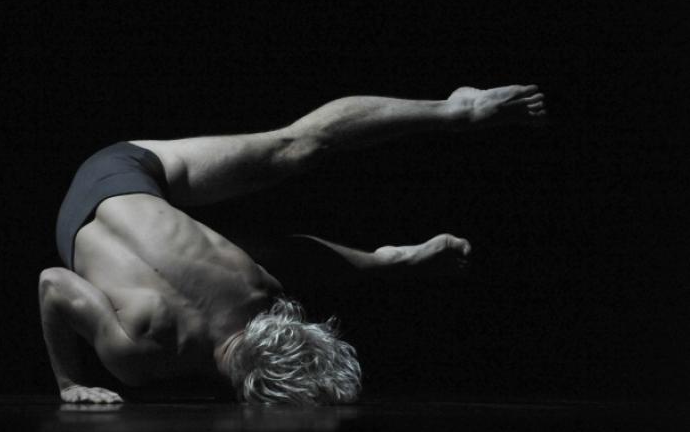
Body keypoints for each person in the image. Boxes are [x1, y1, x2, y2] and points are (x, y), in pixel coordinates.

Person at [39, 85, 547, 405]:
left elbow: (52, 284)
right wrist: (70, 384)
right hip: (105, 191)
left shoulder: (255, 292)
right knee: (278, 202)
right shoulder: (139, 359)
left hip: (127, 170)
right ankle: (452, 117)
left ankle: (453, 112)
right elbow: (53, 282)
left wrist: (68, 383)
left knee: (294, 145)